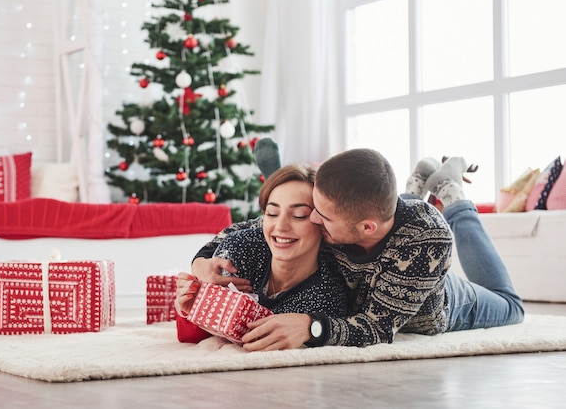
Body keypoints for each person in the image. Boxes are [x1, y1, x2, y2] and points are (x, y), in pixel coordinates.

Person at [189, 146, 524, 351]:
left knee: (511, 307)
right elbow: (252, 226)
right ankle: (413, 186)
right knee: (387, 209)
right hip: (383, 221)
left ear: (365, 228)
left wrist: (311, 326)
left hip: (434, 304)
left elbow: (378, 327)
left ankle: (449, 190)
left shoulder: (427, 241)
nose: (312, 220)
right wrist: (203, 261)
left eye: (318, 215)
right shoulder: (346, 212)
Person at [175, 163, 349, 343]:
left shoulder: (326, 297)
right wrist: (190, 309)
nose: (280, 227)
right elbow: (191, 335)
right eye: (272, 213)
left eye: (299, 215)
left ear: (322, 224)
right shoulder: (239, 251)